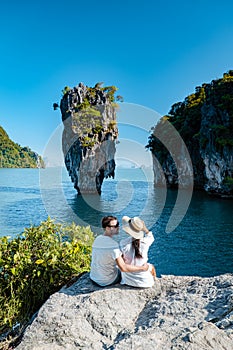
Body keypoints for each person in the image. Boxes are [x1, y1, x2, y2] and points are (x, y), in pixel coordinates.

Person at [90, 215, 149, 287]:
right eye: (115, 226)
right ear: (107, 228)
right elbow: (123, 268)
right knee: (126, 271)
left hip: (94, 277)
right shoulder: (113, 246)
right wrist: (142, 268)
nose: (118, 227)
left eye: (118, 224)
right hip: (107, 281)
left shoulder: (97, 239)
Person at [119, 216, 156, 288]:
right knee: (151, 266)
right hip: (145, 282)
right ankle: (154, 279)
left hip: (127, 280)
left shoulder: (122, 243)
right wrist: (144, 228)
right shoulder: (145, 242)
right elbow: (150, 236)